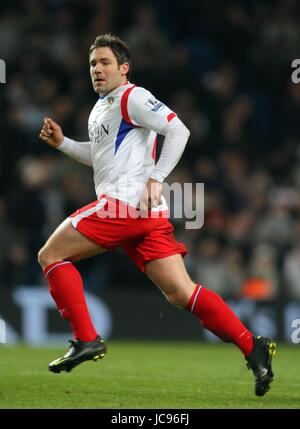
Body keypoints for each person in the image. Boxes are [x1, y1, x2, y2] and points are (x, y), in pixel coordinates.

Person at [38, 33, 276, 396]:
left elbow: (178, 129)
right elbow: (101, 157)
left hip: (124, 205)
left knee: (50, 254)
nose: (97, 69)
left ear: (124, 67)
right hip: (144, 215)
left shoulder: (133, 96)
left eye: (104, 62)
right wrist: (64, 144)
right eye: (92, 64)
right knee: (182, 293)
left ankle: (86, 338)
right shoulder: (103, 107)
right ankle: (252, 345)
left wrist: (156, 177)